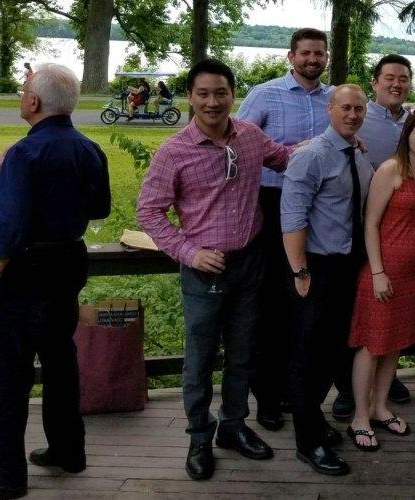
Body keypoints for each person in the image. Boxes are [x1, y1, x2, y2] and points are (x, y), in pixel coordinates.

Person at [138, 59, 286, 480]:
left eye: (221, 92)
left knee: (243, 354)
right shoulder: (174, 151)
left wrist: (339, 140)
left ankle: (233, 427)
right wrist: (188, 252)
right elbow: (149, 212)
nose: (212, 101)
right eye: (203, 93)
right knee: (200, 359)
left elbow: (286, 157)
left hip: (250, 264)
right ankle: (200, 437)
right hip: (205, 270)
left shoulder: (251, 137)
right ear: (190, 96)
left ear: (233, 94)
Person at [0, 64, 110, 500]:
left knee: (9, 370)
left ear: (34, 102)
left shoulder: (25, 154)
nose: (23, 96)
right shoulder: (90, 149)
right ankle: (68, 451)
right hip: (69, 261)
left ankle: (5, 475)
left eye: (24, 90)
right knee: (60, 357)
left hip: (28, 266)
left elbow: (10, 225)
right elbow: (99, 208)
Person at [236, 27, 334, 433]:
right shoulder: (265, 94)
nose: (313, 59)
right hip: (274, 205)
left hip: (323, 211)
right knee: (273, 303)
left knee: (307, 306)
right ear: (291, 56)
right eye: (306, 53)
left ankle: (300, 393)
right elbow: (237, 144)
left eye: (319, 53)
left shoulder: (333, 99)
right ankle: (267, 398)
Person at [279, 84, 372, 474]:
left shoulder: (356, 152)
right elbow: (293, 217)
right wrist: (300, 271)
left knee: (335, 349)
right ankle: (308, 442)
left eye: (359, 109)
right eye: (345, 108)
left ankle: (313, 419)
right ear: (330, 108)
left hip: (349, 264)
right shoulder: (311, 156)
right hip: (317, 266)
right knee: (309, 355)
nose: (352, 115)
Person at [347, 110, 415, 451]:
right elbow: (370, 224)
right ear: (408, 136)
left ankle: (381, 407)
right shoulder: (390, 170)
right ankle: (359, 416)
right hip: (383, 272)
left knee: (394, 345)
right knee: (372, 346)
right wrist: (377, 272)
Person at [344, 54, 415, 417]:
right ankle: (348, 388)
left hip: (399, 231)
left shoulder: (412, 121)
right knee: (354, 311)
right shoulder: (358, 118)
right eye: (389, 78)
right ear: (375, 82)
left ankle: (382, 390)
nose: (396, 84)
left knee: (386, 313)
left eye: (403, 79)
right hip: (355, 226)